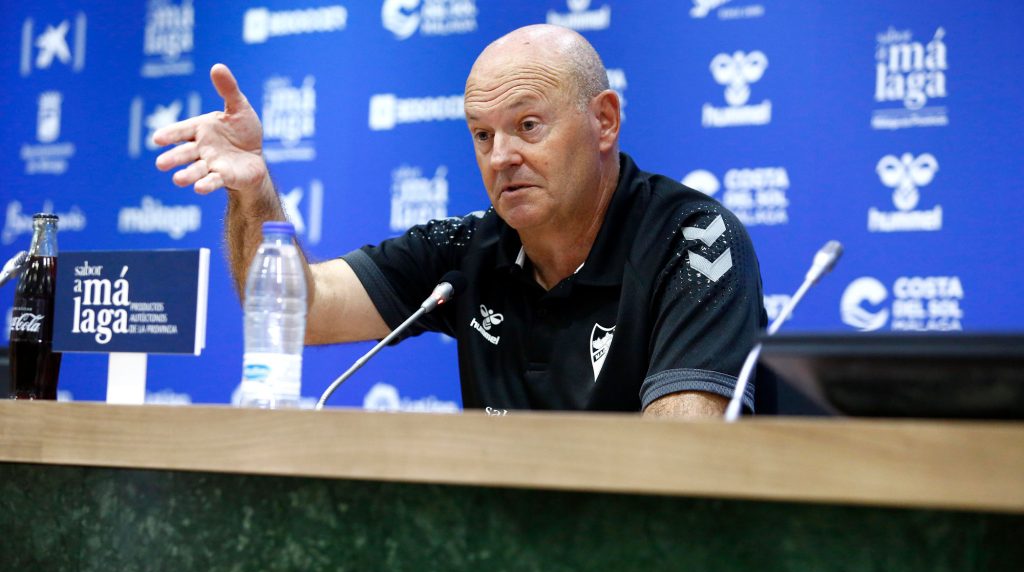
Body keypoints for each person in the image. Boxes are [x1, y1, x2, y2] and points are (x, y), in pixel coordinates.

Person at [154, 24, 766, 417]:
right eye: (482, 134)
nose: (501, 157)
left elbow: (679, 456)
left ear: (604, 121)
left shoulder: (692, 241)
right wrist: (254, 192)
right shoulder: (469, 248)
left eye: (528, 125)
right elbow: (303, 312)